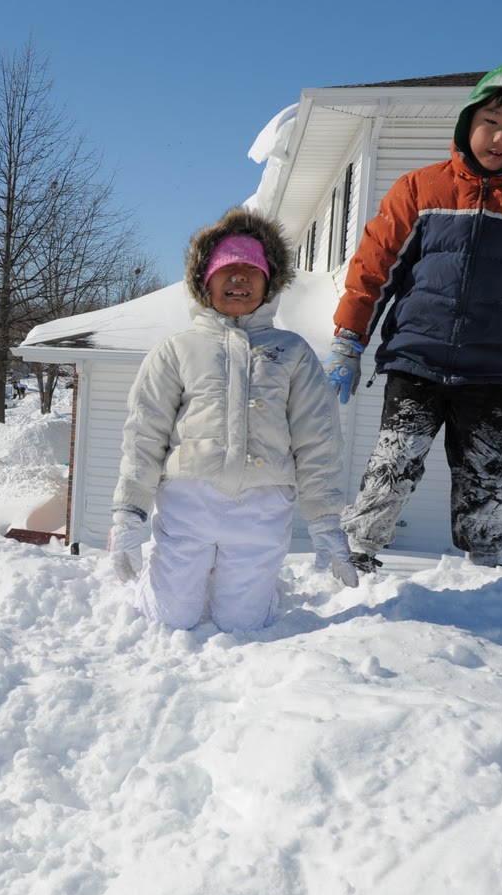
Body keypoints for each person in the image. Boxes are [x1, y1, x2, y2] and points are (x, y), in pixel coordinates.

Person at [324, 61, 502, 571]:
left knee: (491, 479)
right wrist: (349, 340)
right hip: (416, 358)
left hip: (495, 368)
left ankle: (486, 576)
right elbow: (374, 268)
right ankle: (357, 559)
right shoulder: (420, 190)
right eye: (492, 122)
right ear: (467, 122)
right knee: (393, 464)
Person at [109, 207, 357, 634]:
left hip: (262, 509)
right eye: (227, 270)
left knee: (242, 623)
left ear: (270, 283)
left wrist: (325, 520)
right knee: (172, 619)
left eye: (251, 271)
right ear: (204, 282)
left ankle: (253, 590)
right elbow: (144, 436)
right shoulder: (177, 350)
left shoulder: (292, 352)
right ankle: (173, 588)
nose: (239, 279)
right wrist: (129, 514)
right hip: (189, 501)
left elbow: (318, 440)